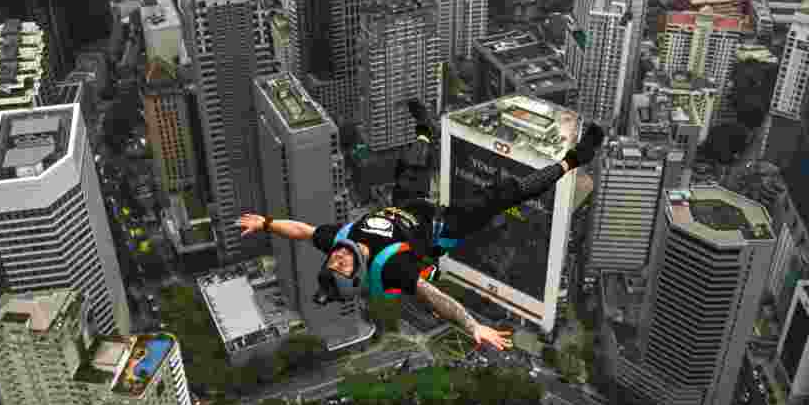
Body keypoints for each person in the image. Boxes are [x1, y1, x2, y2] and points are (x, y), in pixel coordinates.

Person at [240, 101, 606, 351]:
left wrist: (267, 223)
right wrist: (472, 325)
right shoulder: (392, 267)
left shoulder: (340, 239)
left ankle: (425, 130)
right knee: (503, 195)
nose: (335, 259)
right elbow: (436, 299)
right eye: (339, 268)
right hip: (440, 228)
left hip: (406, 208)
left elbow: (302, 231)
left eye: (331, 262)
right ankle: (576, 158)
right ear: (356, 275)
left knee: (412, 163)